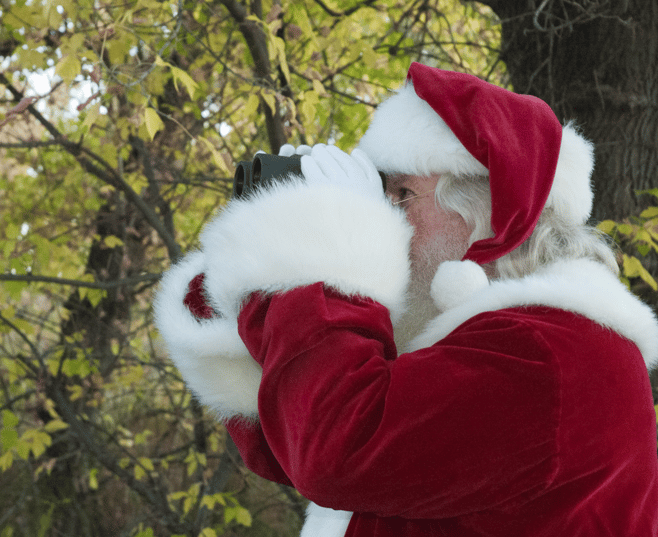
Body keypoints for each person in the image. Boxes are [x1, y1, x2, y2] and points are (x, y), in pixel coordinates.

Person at [154, 63, 658, 536]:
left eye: (401, 196)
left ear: (487, 214)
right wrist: (261, 253)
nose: (384, 218)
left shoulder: (553, 353)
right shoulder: (489, 343)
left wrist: (325, 246)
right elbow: (283, 438)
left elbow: (337, 452)